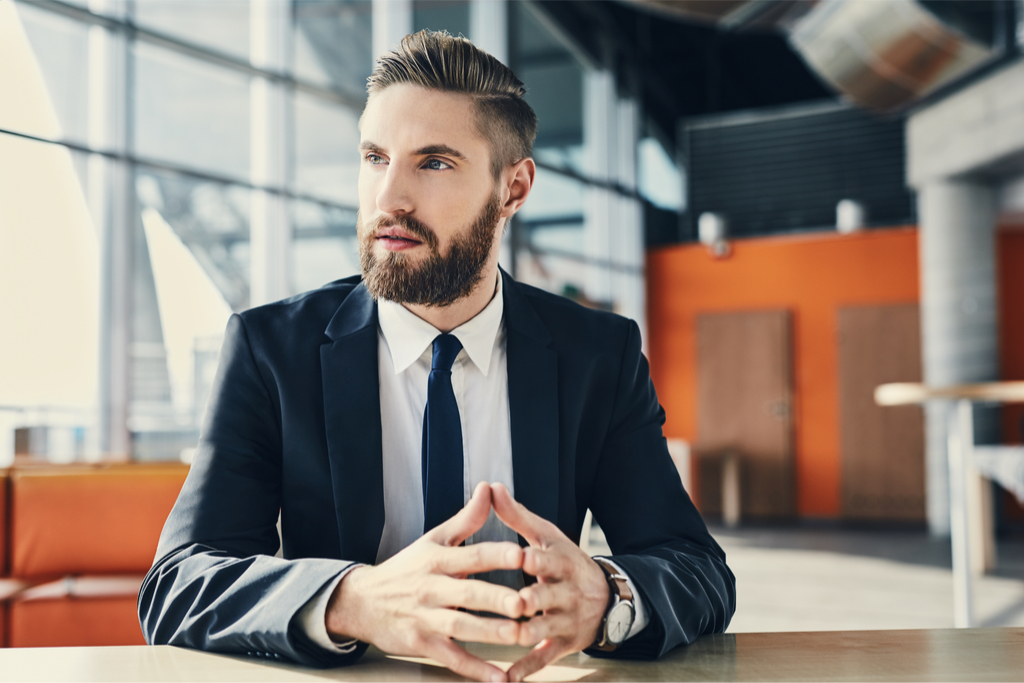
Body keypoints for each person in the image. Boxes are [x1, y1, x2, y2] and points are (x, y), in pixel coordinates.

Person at [138, 30, 735, 683]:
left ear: (513, 188)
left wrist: (609, 598)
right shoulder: (271, 350)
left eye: (434, 163)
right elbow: (178, 583)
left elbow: (697, 570)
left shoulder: (598, 355)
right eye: (374, 157)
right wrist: (354, 601)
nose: (388, 198)